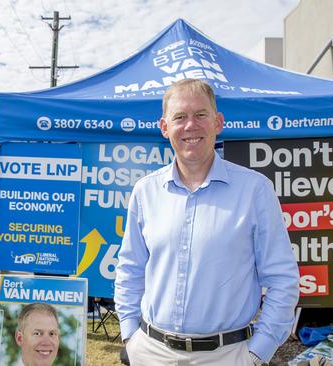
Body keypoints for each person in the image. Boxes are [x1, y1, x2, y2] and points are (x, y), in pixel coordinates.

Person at [114, 79, 300, 365]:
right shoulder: (145, 191)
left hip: (226, 357)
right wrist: (130, 336)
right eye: (180, 117)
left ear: (218, 122)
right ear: (165, 127)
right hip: (150, 353)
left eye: (201, 115)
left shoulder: (254, 191)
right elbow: (130, 270)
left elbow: (283, 280)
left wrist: (256, 353)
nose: (191, 126)